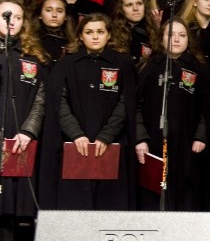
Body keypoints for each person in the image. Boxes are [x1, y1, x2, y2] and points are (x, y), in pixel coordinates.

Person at [38, 13, 137, 211]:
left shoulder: (123, 63)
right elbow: (59, 103)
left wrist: (106, 136)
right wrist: (76, 134)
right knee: (76, 207)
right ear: (80, 36)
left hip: (110, 145)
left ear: (109, 35)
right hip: (75, 146)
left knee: (108, 207)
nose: (95, 36)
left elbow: (126, 103)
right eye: (89, 32)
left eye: (100, 31)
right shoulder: (67, 64)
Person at [134, 17, 210, 211]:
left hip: (188, 146)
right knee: (153, 195)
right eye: (171, 35)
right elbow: (135, 105)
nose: (177, 39)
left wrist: (201, 136)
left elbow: (208, 108)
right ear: (161, 38)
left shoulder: (199, 69)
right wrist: (140, 138)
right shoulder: (150, 67)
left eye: (182, 35)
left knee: (186, 195)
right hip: (153, 142)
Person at [0, 0, 50, 241]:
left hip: (17, 140)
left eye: (18, 17)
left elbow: (40, 100)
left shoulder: (31, 58)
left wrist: (28, 131)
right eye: (6, 16)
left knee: (9, 202)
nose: (12, 21)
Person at [110, 0, 160, 66]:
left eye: (139, 3)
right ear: (121, 9)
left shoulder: (152, 32)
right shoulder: (112, 32)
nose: (135, 8)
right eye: (129, 5)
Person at [31, 0, 74, 66]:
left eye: (59, 11)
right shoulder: (30, 40)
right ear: (40, 15)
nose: (54, 15)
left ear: (66, 16)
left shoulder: (73, 43)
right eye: (48, 10)